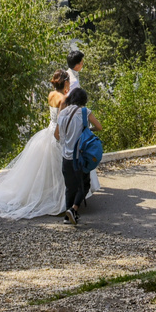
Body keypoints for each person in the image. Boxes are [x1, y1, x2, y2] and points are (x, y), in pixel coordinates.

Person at [0, 70, 101, 219]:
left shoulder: (51, 95)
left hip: (49, 130)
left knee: (48, 171)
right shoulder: (65, 99)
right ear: (66, 82)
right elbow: (65, 119)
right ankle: (65, 203)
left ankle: (61, 202)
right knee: (62, 170)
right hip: (60, 135)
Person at [53, 86, 100, 225]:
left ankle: (68, 217)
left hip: (66, 157)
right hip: (80, 157)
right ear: (83, 100)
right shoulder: (84, 112)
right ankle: (74, 209)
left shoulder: (62, 113)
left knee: (70, 187)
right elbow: (99, 127)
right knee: (84, 185)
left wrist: (66, 140)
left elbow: (56, 135)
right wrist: (87, 129)